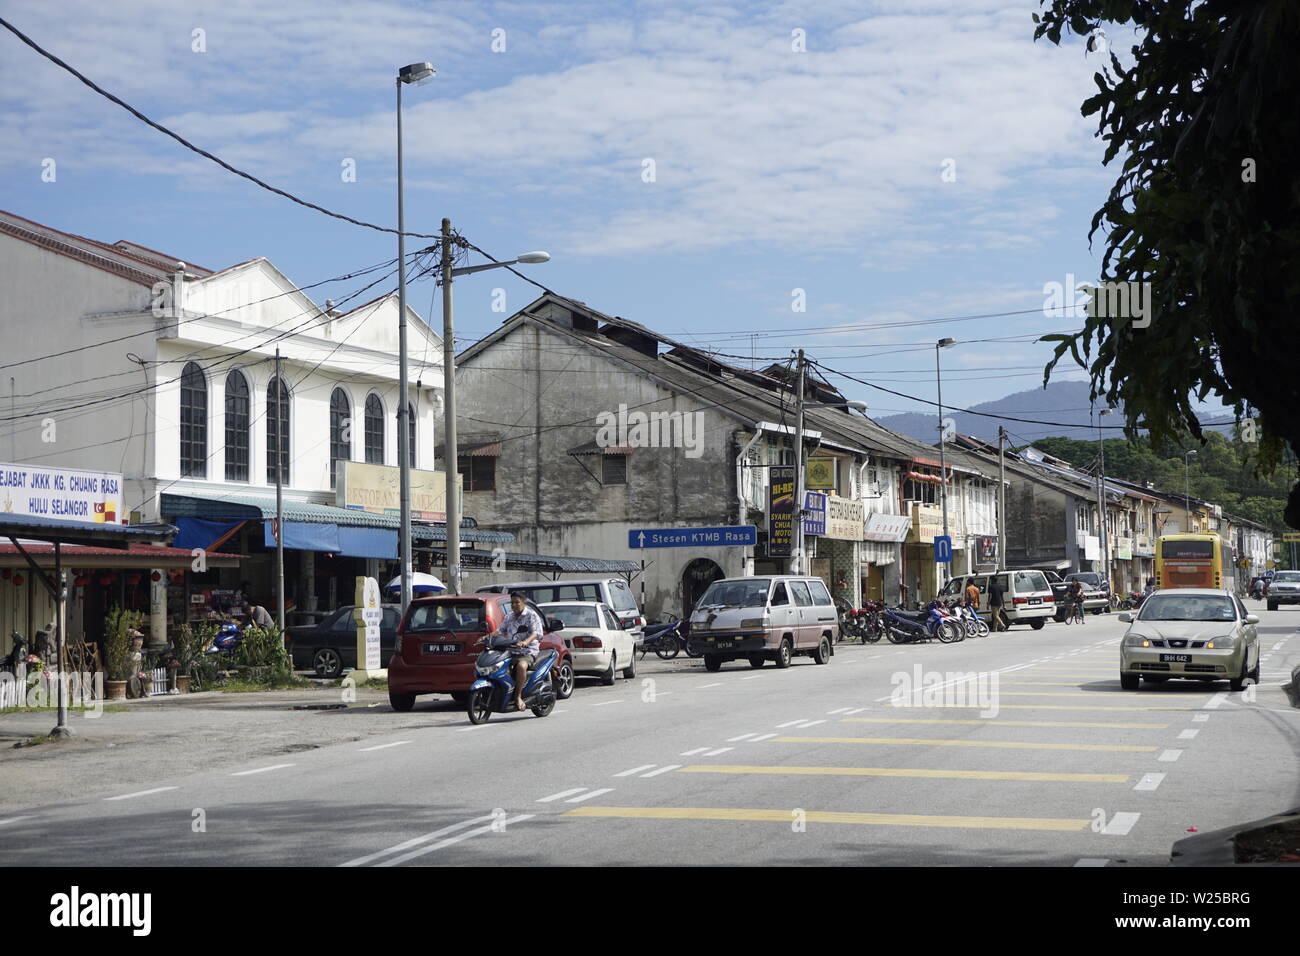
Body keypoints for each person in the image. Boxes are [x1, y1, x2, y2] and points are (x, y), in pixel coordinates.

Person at [487, 591, 544, 711]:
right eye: (512, 603)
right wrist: (487, 638)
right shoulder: (509, 616)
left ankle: (518, 697)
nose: (513, 605)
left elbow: (536, 633)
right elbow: (500, 630)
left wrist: (525, 642)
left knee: (521, 666)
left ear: (524, 602)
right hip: (511, 650)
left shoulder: (531, 615)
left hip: (528, 651)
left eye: (516, 602)